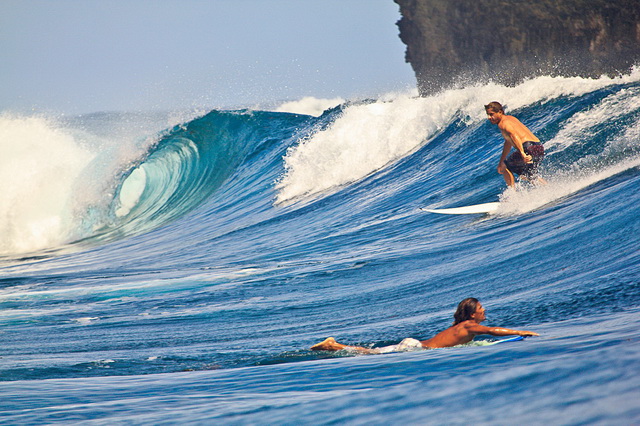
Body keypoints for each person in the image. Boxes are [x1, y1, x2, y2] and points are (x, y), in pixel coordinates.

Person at [310, 298, 539, 353]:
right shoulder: (469, 326)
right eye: (481, 308)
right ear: (472, 313)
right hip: (415, 349)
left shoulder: (460, 327)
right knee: (371, 354)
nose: (484, 310)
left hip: (413, 344)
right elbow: (493, 331)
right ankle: (334, 345)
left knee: (374, 352)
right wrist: (521, 331)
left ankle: (334, 345)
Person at [485, 101, 546, 187]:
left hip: (528, 148)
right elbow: (508, 142)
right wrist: (501, 161)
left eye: (491, 114)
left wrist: (522, 153)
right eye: (488, 114)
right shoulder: (510, 118)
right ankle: (547, 188)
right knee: (529, 175)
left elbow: (514, 135)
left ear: (500, 112)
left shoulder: (502, 124)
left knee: (505, 167)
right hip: (538, 147)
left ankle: (512, 195)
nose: (489, 117)